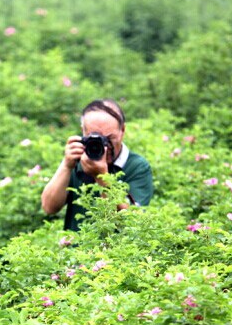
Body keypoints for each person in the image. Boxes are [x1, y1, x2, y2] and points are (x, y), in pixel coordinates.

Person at [41, 99, 154, 231]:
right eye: (95, 138)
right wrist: (66, 165)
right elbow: (49, 208)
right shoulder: (78, 158)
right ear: (83, 131)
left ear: (122, 130)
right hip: (75, 250)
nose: (104, 145)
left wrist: (102, 178)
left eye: (109, 138)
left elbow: (132, 222)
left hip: (117, 251)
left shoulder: (137, 166)